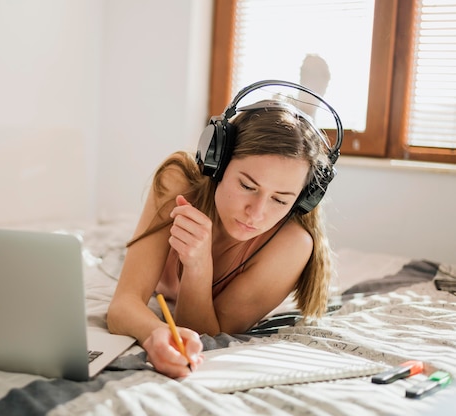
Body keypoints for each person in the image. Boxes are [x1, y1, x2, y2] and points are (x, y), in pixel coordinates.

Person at [106, 93, 337, 379]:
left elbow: (207, 335)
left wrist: (198, 265)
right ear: (218, 163)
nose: (256, 213)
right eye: (247, 185)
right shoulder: (178, 181)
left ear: (303, 200)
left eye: (280, 200)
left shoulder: (292, 246)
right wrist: (156, 334)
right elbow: (122, 305)